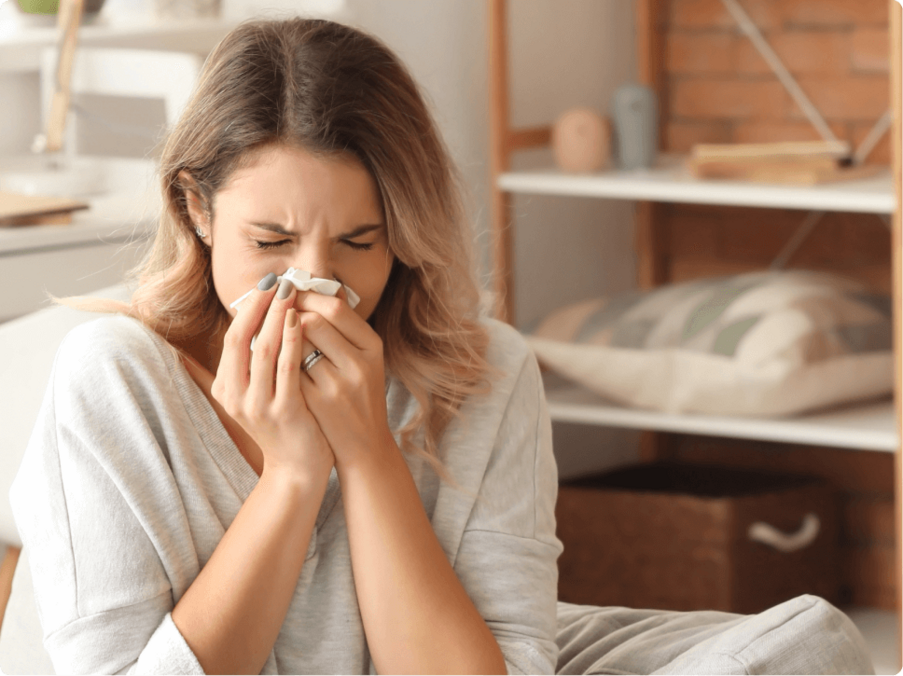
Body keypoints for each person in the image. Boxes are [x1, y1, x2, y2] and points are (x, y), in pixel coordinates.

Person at [10, 16, 560, 676]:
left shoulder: (489, 374)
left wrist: (367, 455)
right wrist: (293, 475)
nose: (315, 283)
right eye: (270, 243)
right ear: (197, 210)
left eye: (359, 242)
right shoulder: (114, 380)